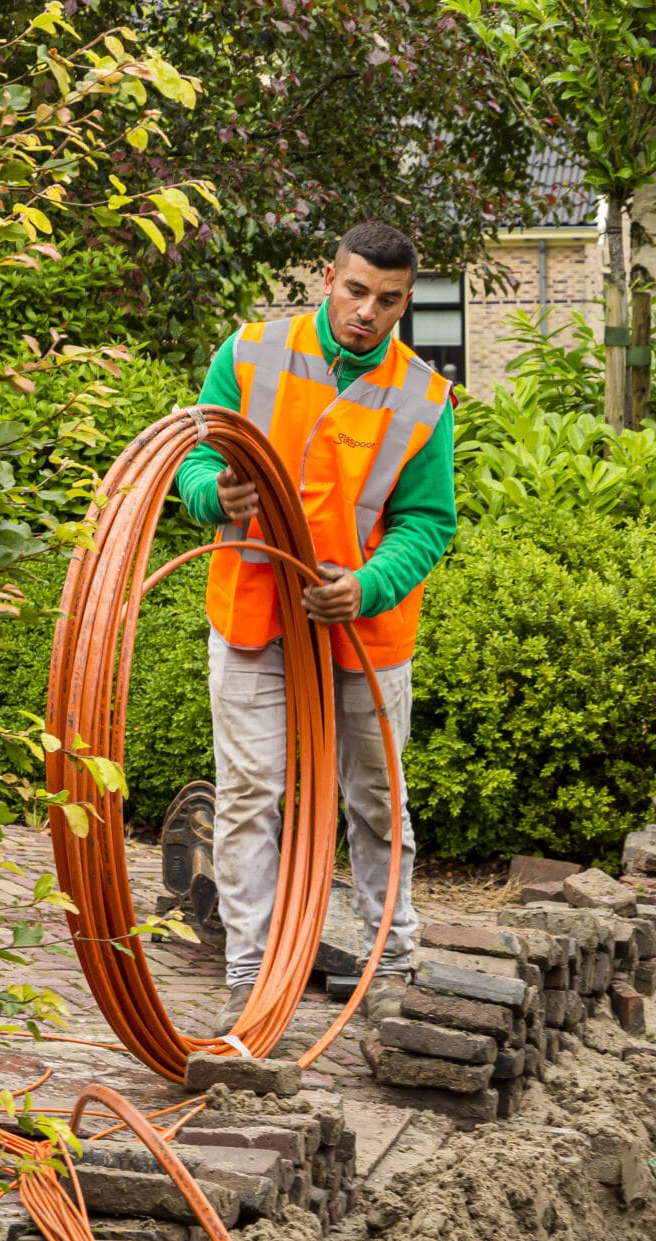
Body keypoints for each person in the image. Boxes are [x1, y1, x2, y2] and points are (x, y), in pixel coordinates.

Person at [172, 221, 458, 1038]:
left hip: (359, 633)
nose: (368, 312)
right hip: (256, 615)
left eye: (390, 300)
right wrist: (210, 496)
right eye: (357, 290)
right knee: (252, 792)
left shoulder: (422, 397)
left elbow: (427, 524)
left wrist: (366, 586)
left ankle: (390, 968)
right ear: (328, 277)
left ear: (407, 302)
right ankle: (249, 981)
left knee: (375, 799)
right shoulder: (252, 354)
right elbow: (197, 456)